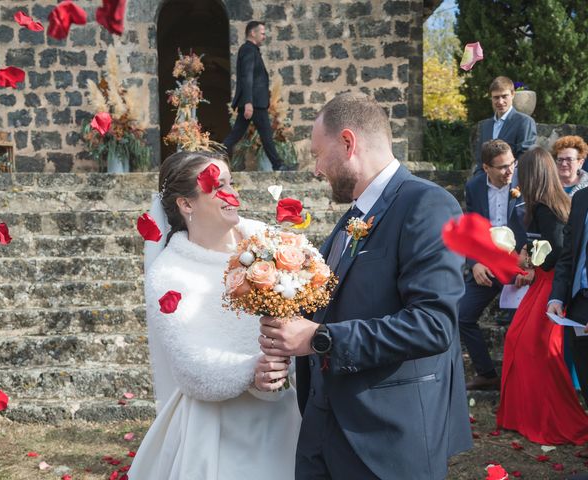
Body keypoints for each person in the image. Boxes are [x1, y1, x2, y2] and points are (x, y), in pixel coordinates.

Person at [258, 93, 472, 479]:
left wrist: (320, 338)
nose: (317, 169)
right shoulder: (350, 220)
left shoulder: (428, 205)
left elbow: (433, 325)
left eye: (318, 154)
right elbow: (332, 305)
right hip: (323, 429)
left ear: (347, 143)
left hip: (386, 439)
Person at [128, 151, 300, 480]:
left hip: (283, 415)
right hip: (217, 430)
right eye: (217, 186)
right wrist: (252, 370)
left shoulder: (268, 243)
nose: (232, 193)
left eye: (231, 182)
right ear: (186, 205)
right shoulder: (169, 273)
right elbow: (188, 363)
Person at [497, 147, 588, 445]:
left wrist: (531, 262)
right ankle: (525, 415)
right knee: (518, 342)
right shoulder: (545, 204)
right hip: (544, 282)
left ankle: (550, 418)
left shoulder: (547, 207)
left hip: (551, 285)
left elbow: (560, 251)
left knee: (535, 349)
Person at [459, 139, 528, 391]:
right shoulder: (474, 186)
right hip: (487, 265)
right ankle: (487, 374)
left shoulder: (525, 181)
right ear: (486, 168)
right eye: (501, 167)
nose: (509, 171)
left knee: (519, 326)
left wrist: (528, 263)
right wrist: (475, 263)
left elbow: (536, 227)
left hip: (519, 265)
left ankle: (519, 380)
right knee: (462, 315)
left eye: (511, 164)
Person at [223, 21, 286, 171]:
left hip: (255, 102)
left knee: (237, 133)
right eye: (262, 33)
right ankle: (278, 164)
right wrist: (249, 102)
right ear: (253, 33)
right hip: (255, 103)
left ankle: (215, 156)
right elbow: (247, 77)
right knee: (266, 135)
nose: (264, 37)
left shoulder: (251, 50)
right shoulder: (248, 50)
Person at [552, 135, 588, 391]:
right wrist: (556, 298)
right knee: (584, 372)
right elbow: (567, 257)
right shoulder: (581, 199)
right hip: (579, 304)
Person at [473, 76, 537, 175]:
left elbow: (524, 158)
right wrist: (478, 181)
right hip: (486, 184)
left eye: (504, 96)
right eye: (496, 97)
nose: (500, 101)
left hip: (512, 182)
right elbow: (480, 159)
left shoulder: (524, 122)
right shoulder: (485, 126)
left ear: (512, 94)